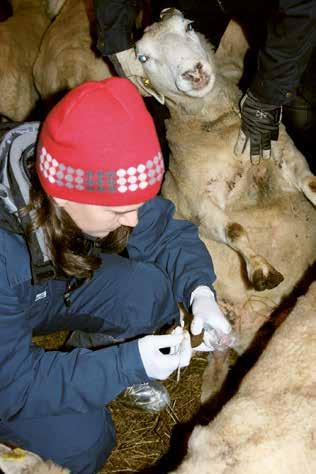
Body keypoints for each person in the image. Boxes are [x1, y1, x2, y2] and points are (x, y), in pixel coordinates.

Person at [0, 77, 232, 473]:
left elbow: (162, 231)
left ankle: (92, 360)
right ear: (60, 195)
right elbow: (13, 387)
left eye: (137, 203)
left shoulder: (87, 168)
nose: (134, 219)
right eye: (116, 211)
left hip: (45, 286)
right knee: (87, 442)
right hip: (11, 323)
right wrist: (128, 363)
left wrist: (200, 292)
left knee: (147, 290)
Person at [94, 0, 316, 170]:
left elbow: (303, 9)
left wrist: (269, 92)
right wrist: (117, 42)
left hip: (287, 10)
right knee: (167, 95)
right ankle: (169, 173)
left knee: (300, 111)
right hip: (191, 6)